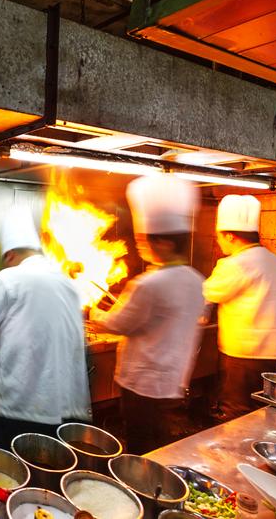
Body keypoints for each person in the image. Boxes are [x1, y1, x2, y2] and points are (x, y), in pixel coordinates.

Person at [0, 204, 91, 450]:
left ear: (10, 254)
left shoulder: (8, 279)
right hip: (71, 414)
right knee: (55, 481)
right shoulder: (66, 283)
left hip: (24, 413)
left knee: (12, 481)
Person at [89, 174, 205, 454]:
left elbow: (117, 323)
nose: (140, 244)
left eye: (144, 239)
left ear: (164, 243)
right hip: (172, 382)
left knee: (141, 446)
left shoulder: (149, 283)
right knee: (161, 443)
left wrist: (95, 313)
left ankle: (145, 491)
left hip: (142, 384)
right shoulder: (196, 279)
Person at [203, 194, 276, 421]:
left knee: (240, 416)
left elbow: (204, 294)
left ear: (229, 235)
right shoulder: (271, 259)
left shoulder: (236, 263)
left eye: (219, 236)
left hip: (248, 358)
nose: (218, 241)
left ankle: (241, 455)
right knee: (270, 415)